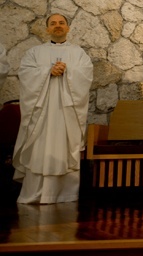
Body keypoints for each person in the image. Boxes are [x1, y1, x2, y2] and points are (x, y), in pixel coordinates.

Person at [12, 14, 93, 204]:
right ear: (47, 29)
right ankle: (35, 193)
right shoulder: (35, 52)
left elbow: (86, 75)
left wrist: (68, 71)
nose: (58, 26)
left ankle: (65, 195)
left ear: (68, 28)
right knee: (39, 147)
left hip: (67, 112)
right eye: (53, 23)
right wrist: (47, 71)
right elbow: (25, 74)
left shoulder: (78, 53)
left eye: (61, 23)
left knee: (65, 148)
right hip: (42, 113)